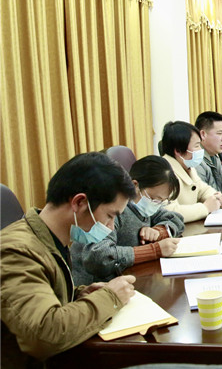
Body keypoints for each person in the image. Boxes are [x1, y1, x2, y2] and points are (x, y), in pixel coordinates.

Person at [1, 152, 137, 366]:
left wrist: (79, 294)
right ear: (79, 202)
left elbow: (41, 292)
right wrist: (110, 297)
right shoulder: (16, 251)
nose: (111, 227)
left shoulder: (50, 239)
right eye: (110, 216)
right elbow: (43, 334)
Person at [71, 156, 184, 285]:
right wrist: (154, 250)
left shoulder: (144, 207)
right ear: (135, 186)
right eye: (154, 199)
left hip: (127, 277)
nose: (156, 204)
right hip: (93, 286)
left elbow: (176, 218)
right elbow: (98, 255)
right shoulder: (115, 210)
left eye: (161, 201)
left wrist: (159, 231)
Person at [161, 121, 222, 221]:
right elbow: (170, 211)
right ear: (178, 151)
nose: (200, 150)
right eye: (196, 146)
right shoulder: (163, 173)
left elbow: (202, 189)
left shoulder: (187, 166)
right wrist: (205, 208)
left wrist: (216, 197)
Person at [194, 111, 222, 193]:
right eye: (219, 133)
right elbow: (202, 196)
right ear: (203, 134)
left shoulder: (214, 155)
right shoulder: (196, 160)